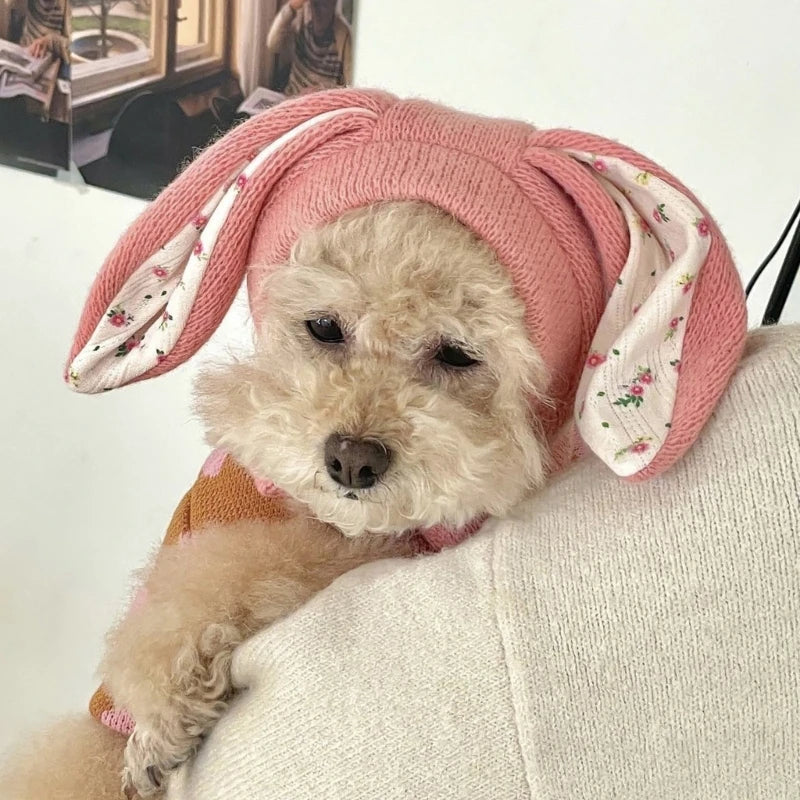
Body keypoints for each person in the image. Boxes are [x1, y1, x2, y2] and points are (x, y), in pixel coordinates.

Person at [267, 0, 352, 96]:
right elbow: (273, 45)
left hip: (321, 102)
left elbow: (351, 86)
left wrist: (325, 92)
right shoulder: (301, 18)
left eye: (324, 6)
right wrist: (291, 8)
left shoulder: (343, 36)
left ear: (334, 5)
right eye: (315, 5)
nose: (319, 13)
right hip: (291, 97)